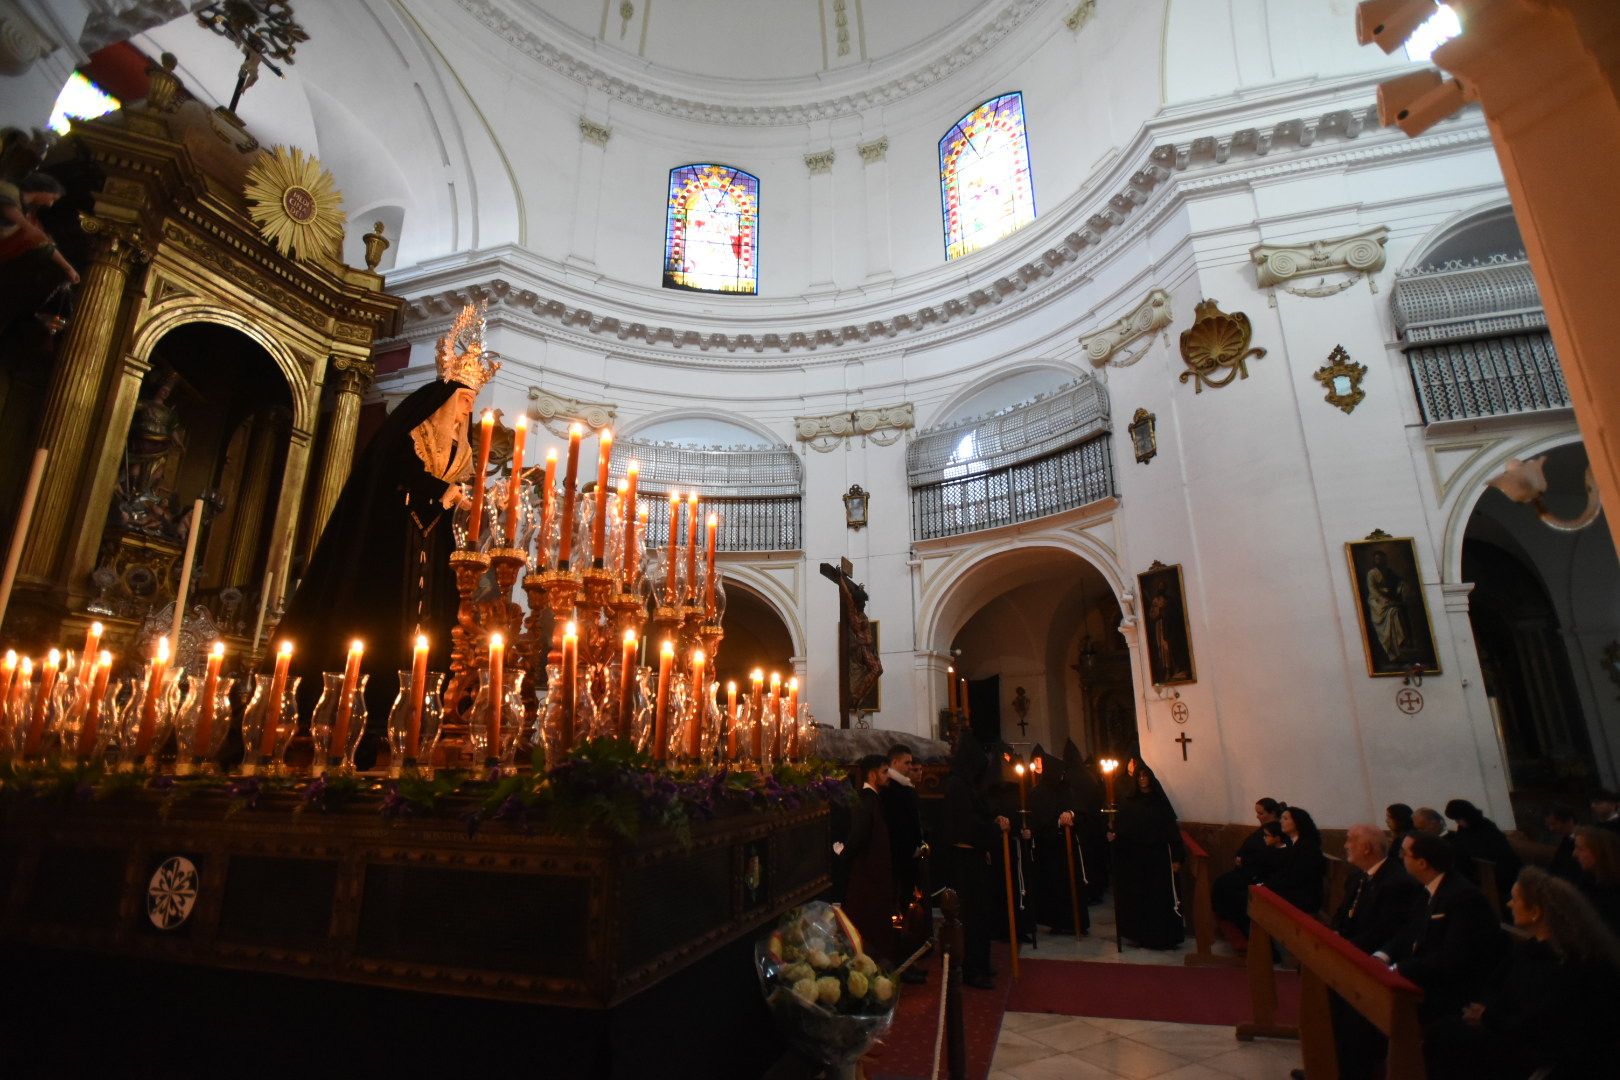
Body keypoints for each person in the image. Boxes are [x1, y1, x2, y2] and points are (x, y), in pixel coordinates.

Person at [272, 304, 496, 746]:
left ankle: (430, 708)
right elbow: (397, 482)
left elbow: (443, 500)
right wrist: (440, 495)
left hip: (435, 552)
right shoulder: (412, 433)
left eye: (472, 402)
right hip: (391, 545)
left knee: (441, 624)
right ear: (446, 399)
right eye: (464, 400)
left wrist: (460, 503)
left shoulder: (460, 451)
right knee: (381, 623)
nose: (468, 410)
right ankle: (364, 715)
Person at [1423, 867, 1620, 1080]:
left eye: (1515, 899)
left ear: (1536, 911)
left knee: (1449, 1040)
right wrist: (1483, 1011)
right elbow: (1497, 984)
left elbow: (1546, 1023)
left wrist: (1489, 1017)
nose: (1508, 904)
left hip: (1548, 1054)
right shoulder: (1533, 947)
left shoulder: (1573, 961)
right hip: (1513, 1031)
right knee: (1444, 1030)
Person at [1323, 823, 1426, 1080]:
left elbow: (1383, 932)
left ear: (1367, 847)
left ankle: (1350, 1070)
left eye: (1350, 841)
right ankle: (1327, 1063)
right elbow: (1344, 916)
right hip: (1355, 950)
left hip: (1374, 959)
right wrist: (1332, 935)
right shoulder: (1359, 875)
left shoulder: (1397, 882)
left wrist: (1344, 948)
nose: (1346, 845)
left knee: (1347, 1002)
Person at [1375, 833, 1506, 1022]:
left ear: (1422, 863)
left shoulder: (1463, 897)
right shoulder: (1428, 888)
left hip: (1449, 989)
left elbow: (1452, 956)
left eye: (1404, 853)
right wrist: (1382, 956)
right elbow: (1409, 932)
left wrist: (1397, 969)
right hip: (1423, 973)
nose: (1400, 857)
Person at [941, 732, 1009, 989]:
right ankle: (971, 968)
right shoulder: (957, 786)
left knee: (982, 913)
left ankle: (981, 960)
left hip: (975, 855)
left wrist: (993, 824)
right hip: (965, 860)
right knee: (972, 916)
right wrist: (993, 830)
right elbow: (967, 825)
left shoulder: (966, 785)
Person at [1110, 760, 1186, 949]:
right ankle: (1142, 935)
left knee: (1159, 899)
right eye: (1140, 776)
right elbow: (1123, 830)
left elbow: (1171, 830)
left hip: (1158, 858)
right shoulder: (1129, 803)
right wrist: (1114, 836)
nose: (1143, 779)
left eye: (1145, 776)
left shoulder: (1160, 802)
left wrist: (1177, 857)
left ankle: (1163, 936)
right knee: (1140, 898)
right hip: (1137, 859)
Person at [840, 754, 896, 964]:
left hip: (875, 876)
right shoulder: (865, 801)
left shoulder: (873, 799)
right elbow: (857, 838)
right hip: (867, 878)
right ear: (872, 774)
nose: (888, 776)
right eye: (884, 772)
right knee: (868, 925)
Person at [1027, 747, 1089, 935]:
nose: (1062, 777)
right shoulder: (1038, 793)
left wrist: (1070, 814)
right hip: (1050, 848)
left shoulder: (1067, 789)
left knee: (1072, 886)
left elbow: (1081, 810)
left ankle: (1077, 922)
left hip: (1069, 846)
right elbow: (1038, 819)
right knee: (1054, 887)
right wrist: (1057, 820)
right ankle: (1058, 922)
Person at [1211, 798, 1284, 932]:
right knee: (1221, 884)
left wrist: (1244, 860)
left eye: (1261, 813)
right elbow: (1250, 846)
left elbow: (1268, 855)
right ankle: (1234, 926)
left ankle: (1246, 931)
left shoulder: (1277, 831)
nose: (1257, 816)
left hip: (1259, 875)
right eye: (1257, 813)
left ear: (1273, 813)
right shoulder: (1264, 829)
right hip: (1248, 871)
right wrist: (1240, 856)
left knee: (1230, 891)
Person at [1442, 798, 1522, 910]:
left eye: (1458, 819)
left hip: (1499, 872)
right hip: (1478, 871)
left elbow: (1495, 852)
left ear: (1467, 815)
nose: (1457, 823)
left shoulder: (1486, 827)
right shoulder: (1463, 829)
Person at [0, 172, 79, 284]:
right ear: (44, 190)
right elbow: (6, 206)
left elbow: (43, 244)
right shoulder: (9, 189)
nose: (50, 204)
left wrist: (68, 268)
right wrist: (28, 228)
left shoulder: (28, 218)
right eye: (52, 198)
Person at [1265, 805, 1327, 917]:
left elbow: (1297, 878)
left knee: (1260, 896)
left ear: (1298, 822)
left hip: (1304, 897)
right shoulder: (1293, 843)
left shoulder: (1307, 847)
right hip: (1293, 890)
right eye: (1281, 818)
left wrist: (1269, 885)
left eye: (1285, 819)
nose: (1281, 821)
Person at [1572, 825, 1620, 934]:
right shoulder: (1587, 880)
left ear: (1600, 852)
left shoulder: (1614, 897)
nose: (1574, 854)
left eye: (1580, 848)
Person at [1543, 804, 1580, 882]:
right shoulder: (1566, 840)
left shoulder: (1587, 840)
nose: (1551, 829)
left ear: (1569, 821)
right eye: (1549, 825)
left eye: (1554, 824)